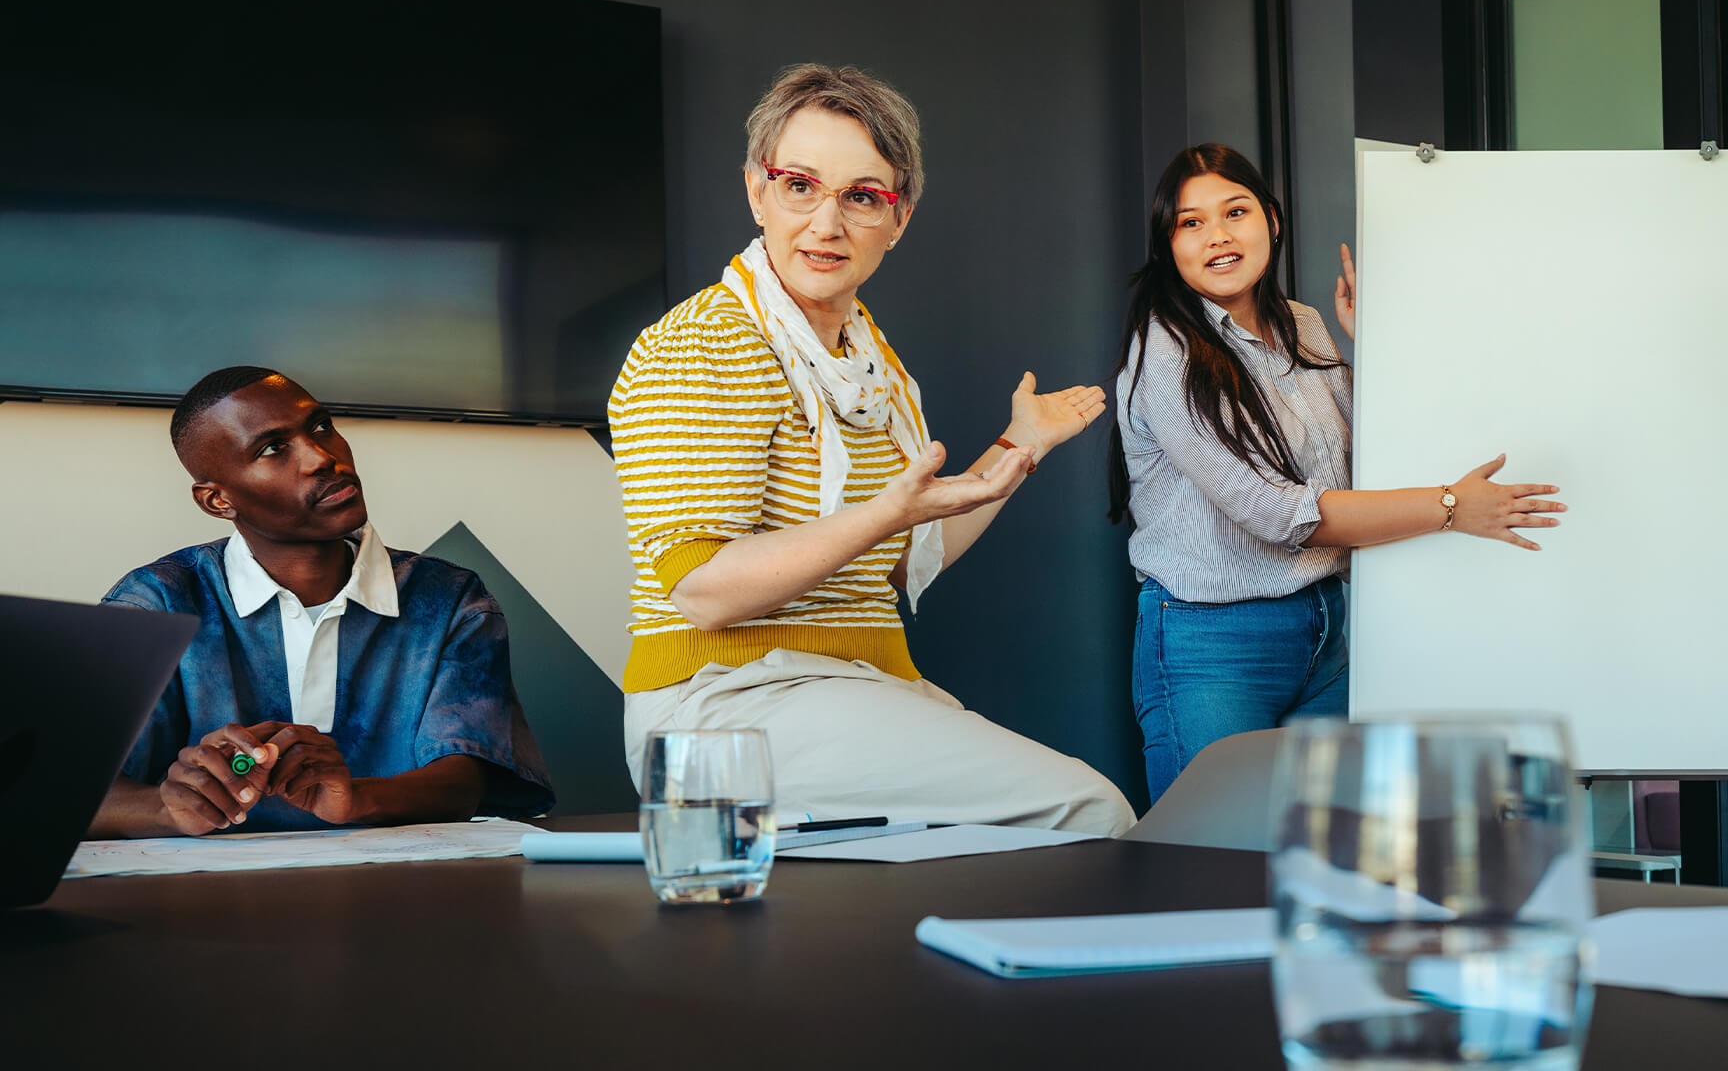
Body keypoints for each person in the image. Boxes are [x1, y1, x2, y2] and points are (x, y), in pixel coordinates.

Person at [609, 64, 1133, 835]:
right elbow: (703, 591)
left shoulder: (871, 364)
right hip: (722, 708)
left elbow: (902, 554)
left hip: (848, 683)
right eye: (800, 185)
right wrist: (885, 510)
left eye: (861, 196)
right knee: (1088, 809)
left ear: (900, 217)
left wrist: (1017, 448)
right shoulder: (706, 342)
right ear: (757, 191)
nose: (827, 223)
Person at [1110, 144, 1565, 804]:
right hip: (1211, 645)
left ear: (1270, 218)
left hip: (1323, 631)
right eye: (1191, 222)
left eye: (1235, 211)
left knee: (1331, 860)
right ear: (1169, 244)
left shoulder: (1305, 324)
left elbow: (1361, 464)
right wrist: (1450, 507)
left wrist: (1372, 343)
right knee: (1215, 866)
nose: (1217, 236)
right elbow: (1277, 513)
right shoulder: (1166, 351)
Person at [88, 366, 554, 837]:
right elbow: (68, 793)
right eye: (273, 448)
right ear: (217, 500)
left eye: (321, 426)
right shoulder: (155, 605)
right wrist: (166, 809)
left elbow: (465, 782)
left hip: (401, 893)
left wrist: (354, 798)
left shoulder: (450, 600)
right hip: (203, 902)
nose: (321, 456)